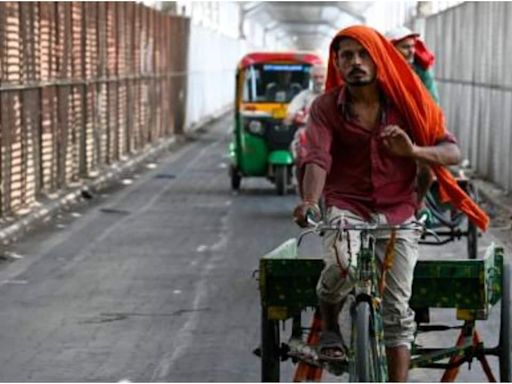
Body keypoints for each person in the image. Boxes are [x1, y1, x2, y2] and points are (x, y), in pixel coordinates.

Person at [292, 25, 489, 382]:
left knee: (397, 314)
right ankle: (332, 327)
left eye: (363, 54)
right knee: (340, 264)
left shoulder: (409, 104)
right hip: (346, 206)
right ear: (337, 62)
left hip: (398, 211)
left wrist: (411, 151)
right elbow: (317, 157)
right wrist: (309, 201)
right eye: (347, 55)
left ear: (379, 58)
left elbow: (451, 150)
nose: (356, 62)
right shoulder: (325, 108)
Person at [386, 26, 440, 103]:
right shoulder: (381, 70)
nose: (412, 51)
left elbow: (432, 102)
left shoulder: (421, 69)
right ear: (391, 49)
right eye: (405, 47)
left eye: (413, 46)